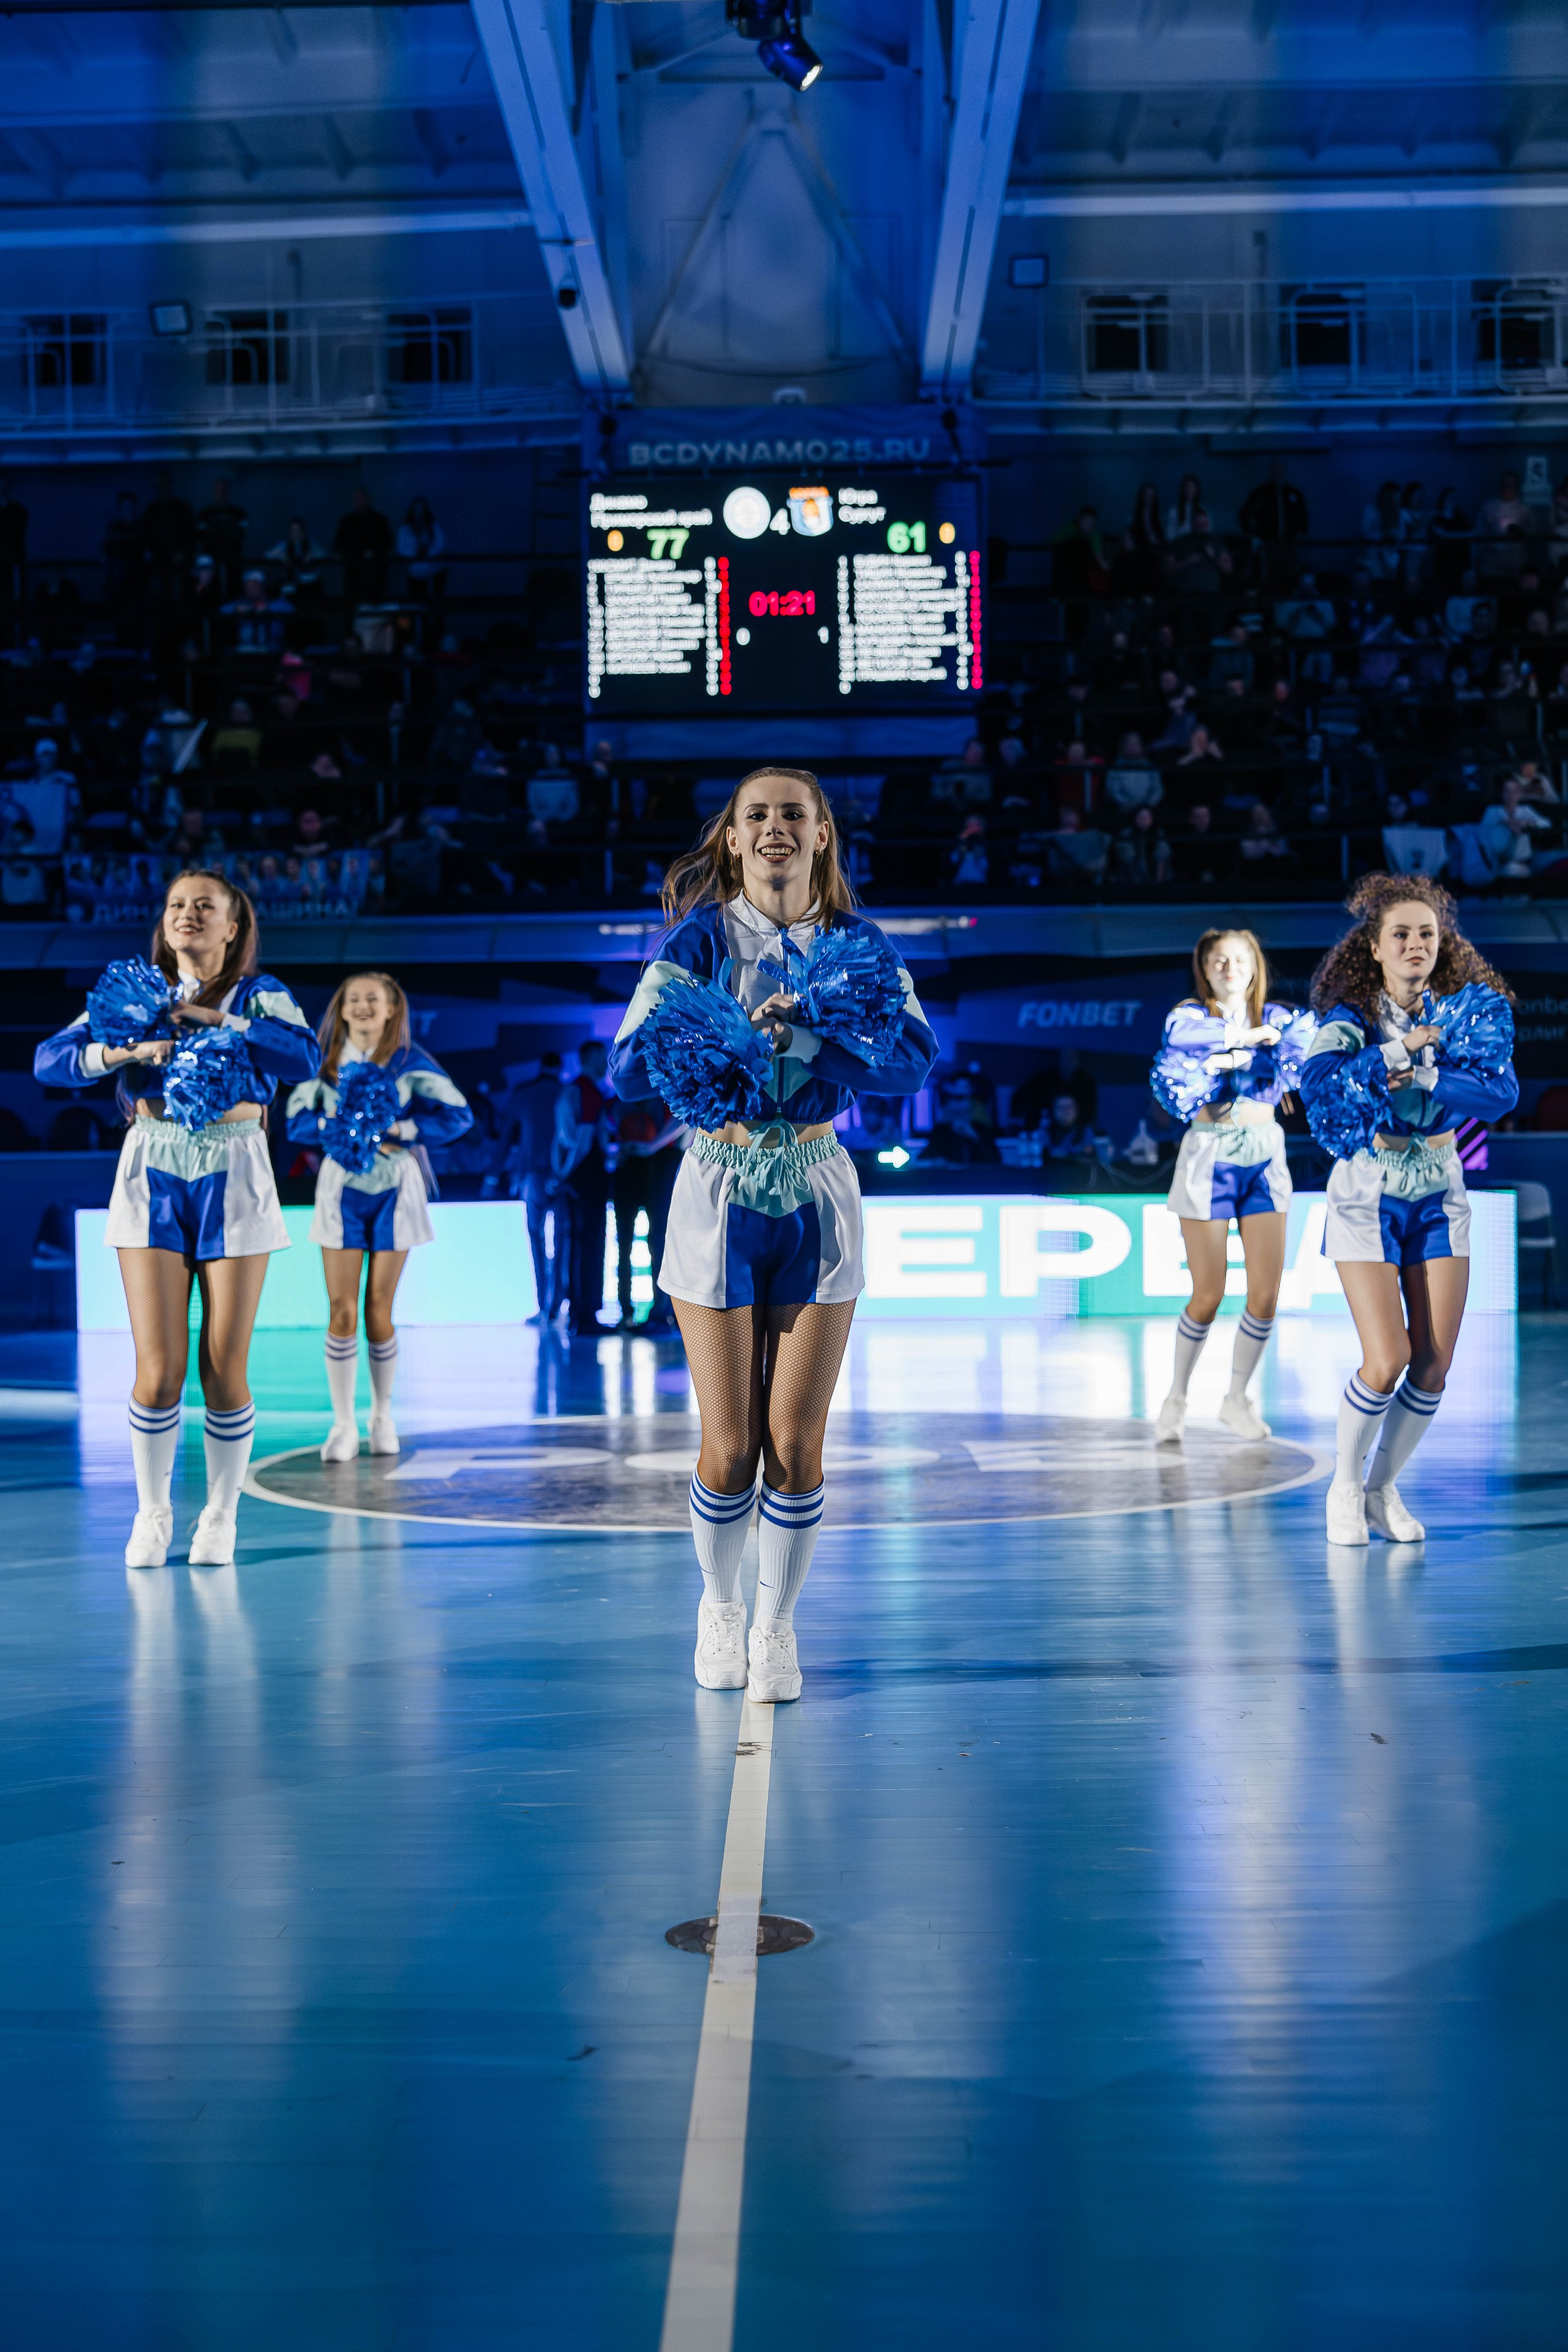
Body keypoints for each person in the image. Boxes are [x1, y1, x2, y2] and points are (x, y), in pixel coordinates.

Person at [607, 766, 937, 1705]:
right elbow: (629, 1069)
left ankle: (777, 1626)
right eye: (759, 816)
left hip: (819, 1188)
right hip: (716, 1185)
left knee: (796, 1443)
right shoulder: (698, 940)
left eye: (796, 813)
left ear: (824, 835)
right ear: (736, 838)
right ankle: (719, 1604)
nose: (777, 827)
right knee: (729, 1446)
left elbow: (913, 1058)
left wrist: (808, 1042)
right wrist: (726, 1040)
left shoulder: (861, 944)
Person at [33, 870, 318, 1568]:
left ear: (234, 927)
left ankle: (221, 1516)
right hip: (151, 1163)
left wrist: (221, 1021)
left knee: (224, 1368)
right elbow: (50, 1061)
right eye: (176, 906)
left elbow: (305, 1058)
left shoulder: (262, 993)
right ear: (162, 924)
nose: (187, 915)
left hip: (237, 1164)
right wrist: (126, 1052)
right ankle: (153, 1513)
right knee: (158, 1373)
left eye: (205, 907)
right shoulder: (132, 993)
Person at [1300, 875, 1518, 1545]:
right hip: (1368, 1186)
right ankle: (1343, 1484)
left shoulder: (1463, 1012)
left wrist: (1427, 1073)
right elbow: (1319, 1084)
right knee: (1386, 1357)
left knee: (1432, 1365)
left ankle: (1379, 1490)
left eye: (1427, 933)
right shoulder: (1348, 1016)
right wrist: (1396, 1050)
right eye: (1401, 933)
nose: (1416, 943)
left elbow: (1502, 1093)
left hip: (1441, 1182)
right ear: (1373, 946)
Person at [285, 972, 472, 1461]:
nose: (364, 1006)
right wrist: (343, 1128)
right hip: (340, 1188)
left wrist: (400, 1127)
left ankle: (382, 1415)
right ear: (341, 1010)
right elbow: (295, 1121)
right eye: (354, 1000)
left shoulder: (411, 1062)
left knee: (379, 1311)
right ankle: (343, 1423)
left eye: (375, 999)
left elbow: (458, 1114)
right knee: (342, 1311)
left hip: (396, 1189)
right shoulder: (323, 1064)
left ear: (393, 1009)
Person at [1150, 928, 1316, 1446]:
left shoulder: (1281, 1018)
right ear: (1205, 968)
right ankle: (1176, 1396)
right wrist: (1243, 1040)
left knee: (1265, 1294)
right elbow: (1180, 1041)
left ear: (1255, 965)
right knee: (1209, 1292)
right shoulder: (1190, 1017)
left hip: (1264, 1152)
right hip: (1209, 1153)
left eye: (1239, 959)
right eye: (1218, 960)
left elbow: (1309, 1048)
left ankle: (1236, 1399)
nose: (1229, 968)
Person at [554, 1040, 613, 1338]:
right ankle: (586, 1315)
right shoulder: (587, 1091)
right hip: (586, 1174)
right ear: (589, 1060)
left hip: (579, 1175)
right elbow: (584, 1137)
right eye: (602, 1058)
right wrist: (567, 1173)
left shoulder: (576, 1090)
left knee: (580, 1244)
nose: (607, 1064)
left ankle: (582, 1313)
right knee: (589, 1245)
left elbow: (564, 1139)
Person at [501, 1050, 565, 1322]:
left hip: (532, 1174)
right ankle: (557, 1304)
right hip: (563, 1174)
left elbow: (506, 1137)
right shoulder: (567, 1092)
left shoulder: (524, 1093)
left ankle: (543, 1306)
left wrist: (494, 1175)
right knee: (562, 1242)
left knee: (537, 1240)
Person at [612, 1102, 682, 1333]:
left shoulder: (662, 1088)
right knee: (635, 1242)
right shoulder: (657, 1087)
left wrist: (653, 1145)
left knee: (657, 1243)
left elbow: (685, 1119)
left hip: (658, 1161)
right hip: (644, 1162)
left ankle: (659, 1312)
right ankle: (632, 1311)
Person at [333, 486, 393, 606]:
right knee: (353, 606)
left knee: (376, 607)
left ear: (368, 500)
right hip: (353, 573)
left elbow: (388, 542)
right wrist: (355, 555)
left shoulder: (380, 520)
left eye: (363, 499)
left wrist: (374, 553)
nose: (361, 502)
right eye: (358, 499)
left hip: (376, 572)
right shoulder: (346, 522)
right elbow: (338, 545)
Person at [196, 477, 247, 594]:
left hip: (233, 554)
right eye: (218, 490)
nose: (220, 493)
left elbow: (241, 532)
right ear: (214, 492)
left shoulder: (238, 513)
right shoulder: (205, 513)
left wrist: (222, 532)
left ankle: (233, 609)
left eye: (223, 490)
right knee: (212, 585)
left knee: (234, 584)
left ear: (228, 491)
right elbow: (202, 534)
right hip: (211, 555)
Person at [396, 497, 447, 607]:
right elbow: (401, 549)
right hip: (415, 572)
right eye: (417, 510)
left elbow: (441, 545)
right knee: (418, 603)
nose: (419, 513)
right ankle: (420, 621)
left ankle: (436, 621)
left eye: (422, 510)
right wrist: (416, 553)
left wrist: (427, 552)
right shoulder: (405, 529)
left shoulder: (434, 526)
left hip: (434, 570)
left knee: (435, 603)